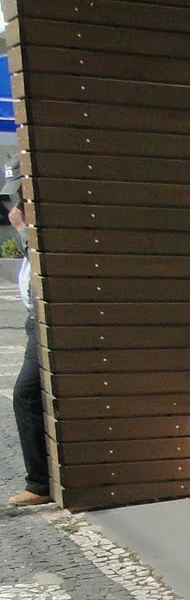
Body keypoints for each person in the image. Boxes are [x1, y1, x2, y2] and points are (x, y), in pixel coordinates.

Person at [2, 164, 50, 509]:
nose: (15, 205)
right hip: (36, 320)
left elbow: (40, 268)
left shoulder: (38, 225)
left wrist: (21, 230)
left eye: (20, 195)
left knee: (26, 394)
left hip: (46, 321)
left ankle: (39, 483)